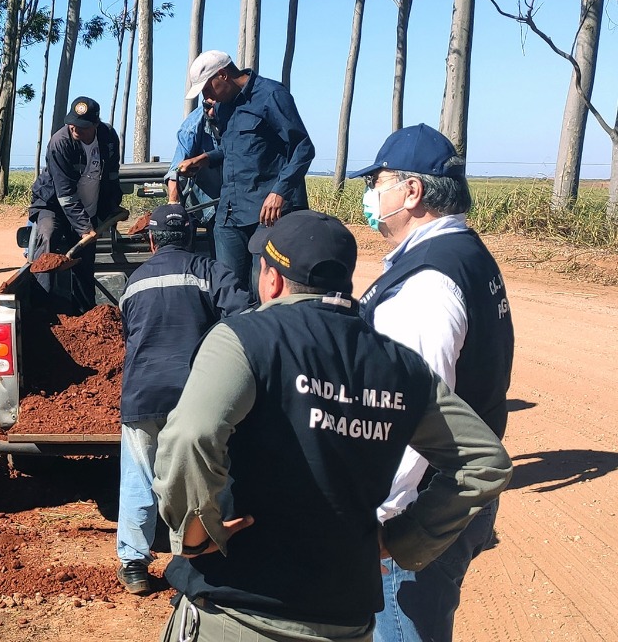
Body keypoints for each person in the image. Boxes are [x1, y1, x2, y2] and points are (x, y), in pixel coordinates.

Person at [152, 209, 512, 642]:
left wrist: (196, 528)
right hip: (345, 620)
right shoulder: (401, 367)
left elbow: (190, 435)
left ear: (272, 279)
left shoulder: (245, 339)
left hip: (237, 612)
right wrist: (406, 540)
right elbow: (485, 462)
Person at [349, 124, 516, 642]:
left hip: (419, 503)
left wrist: (383, 520)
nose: (371, 194)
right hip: (451, 491)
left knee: (401, 625)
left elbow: (414, 414)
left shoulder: (427, 284)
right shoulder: (464, 252)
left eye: (379, 182)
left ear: (413, 191)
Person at [115, 203, 251, 595]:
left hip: (141, 395)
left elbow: (129, 336)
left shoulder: (135, 281)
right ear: (192, 238)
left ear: (152, 240)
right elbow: (243, 316)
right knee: (201, 475)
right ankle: (200, 555)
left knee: (139, 477)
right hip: (195, 397)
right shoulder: (208, 272)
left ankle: (134, 564)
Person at [181, 50, 315, 294]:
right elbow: (238, 149)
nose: (206, 95)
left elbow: (303, 148)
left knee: (261, 289)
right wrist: (206, 158)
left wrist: (279, 193)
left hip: (265, 214)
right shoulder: (222, 108)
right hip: (229, 213)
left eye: (207, 88)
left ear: (222, 75)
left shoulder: (271, 95)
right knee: (227, 289)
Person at [27, 95, 123, 312]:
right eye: (72, 123)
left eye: (82, 126)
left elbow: (112, 175)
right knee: (49, 238)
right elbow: (65, 193)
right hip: (52, 205)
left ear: (95, 125)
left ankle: (85, 315)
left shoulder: (108, 137)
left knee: (84, 265)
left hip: (88, 209)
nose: (75, 129)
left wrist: (112, 205)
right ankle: (42, 312)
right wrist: (84, 228)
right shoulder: (59, 143)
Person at [164, 100, 222, 253]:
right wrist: (173, 204)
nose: (210, 112)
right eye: (206, 106)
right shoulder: (192, 126)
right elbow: (175, 171)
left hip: (231, 201)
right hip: (199, 202)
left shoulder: (240, 117)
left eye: (215, 107)